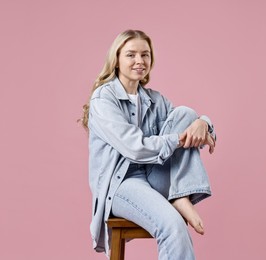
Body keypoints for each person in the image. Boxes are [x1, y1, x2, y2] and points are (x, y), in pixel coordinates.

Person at [81, 29, 217, 259]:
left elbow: (185, 123)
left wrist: (204, 123)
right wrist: (179, 140)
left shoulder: (155, 99)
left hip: (154, 176)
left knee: (187, 113)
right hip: (122, 184)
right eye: (131, 54)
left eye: (145, 55)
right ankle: (177, 197)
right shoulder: (103, 99)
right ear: (116, 59)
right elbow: (135, 148)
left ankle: (178, 195)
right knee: (173, 226)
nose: (139, 61)